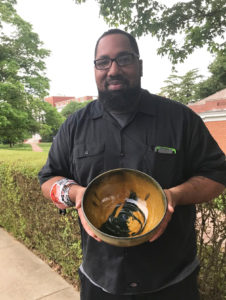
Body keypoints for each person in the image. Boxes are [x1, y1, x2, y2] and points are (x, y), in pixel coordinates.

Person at [39, 29, 226, 300]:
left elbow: (217, 175)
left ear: (140, 66)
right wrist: (76, 194)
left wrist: (173, 195)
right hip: (99, 282)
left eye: (123, 59)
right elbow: (48, 179)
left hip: (172, 282)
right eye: (103, 62)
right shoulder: (74, 127)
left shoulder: (180, 119)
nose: (113, 69)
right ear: (95, 69)